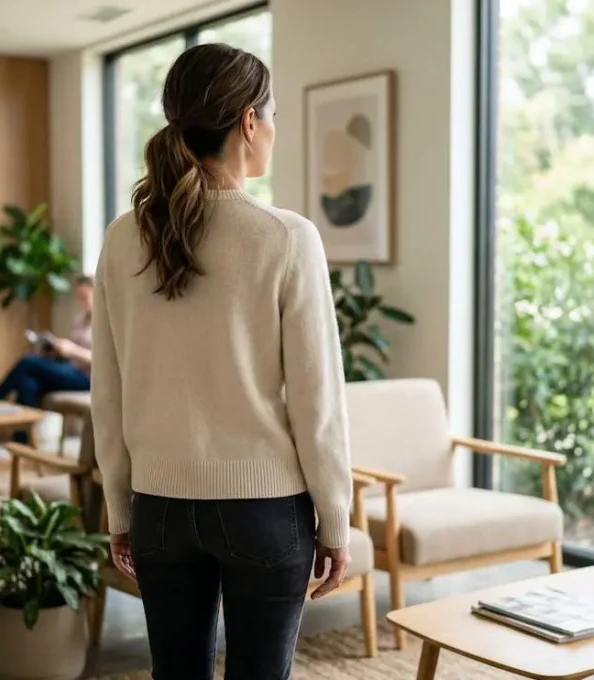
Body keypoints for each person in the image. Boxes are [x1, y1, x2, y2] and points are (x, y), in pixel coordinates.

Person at [92, 43, 353, 679]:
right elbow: (318, 400)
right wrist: (336, 519)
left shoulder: (124, 236)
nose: (275, 129)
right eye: (273, 114)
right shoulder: (287, 238)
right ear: (247, 121)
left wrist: (121, 507)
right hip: (265, 511)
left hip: (159, 507)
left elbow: (109, 387)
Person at [0, 275, 94, 415]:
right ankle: (22, 436)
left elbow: (101, 361)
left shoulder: (104, 323)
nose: (82, 302)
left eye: (84, 296)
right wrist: (57, 350)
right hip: (69, 368)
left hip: (87, 378)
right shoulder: (80, 320)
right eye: (79, 297)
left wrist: (73, 350)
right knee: (28, 384)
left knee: (27, 361)